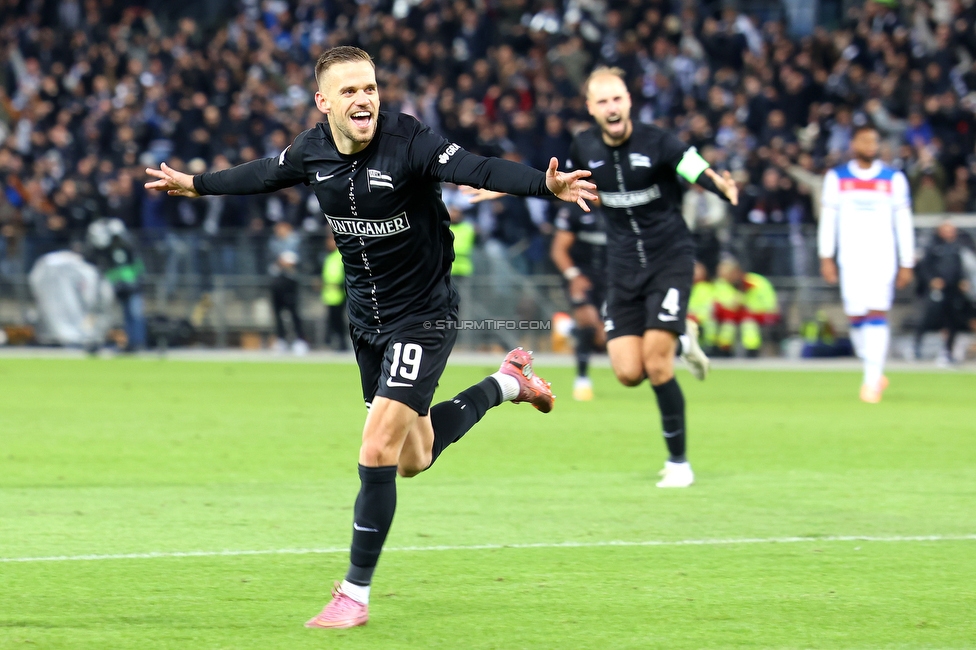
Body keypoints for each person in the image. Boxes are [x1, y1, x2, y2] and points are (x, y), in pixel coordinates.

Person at [145, 46, 595, 629]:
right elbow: (261, 173)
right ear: (324, 101)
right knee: (416, 455)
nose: (364, 100)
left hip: (424, 317)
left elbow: (478, 168)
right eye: (351, 91)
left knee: (375, 448)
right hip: (367, 325)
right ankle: (508, 383)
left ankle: (353, 595)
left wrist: (543, 185)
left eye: (371, 88)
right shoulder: (311, 149)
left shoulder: (410, 141)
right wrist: (198, 185)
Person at [566, 67, 736, 488]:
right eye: (603, 101)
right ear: (591, 109)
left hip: (669, 259)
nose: (612, 107)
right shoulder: (583, 148)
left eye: (618, 99)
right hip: (622, 267)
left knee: (658, 365)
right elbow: (558, 182)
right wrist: (503, 185)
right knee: (628, 372)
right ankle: (682, 333)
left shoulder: (657, 140)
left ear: (629, 102)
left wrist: (720, 186)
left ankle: (679, 464)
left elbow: (694, 166)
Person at [818, 122, 915, 403]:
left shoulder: (893, 179)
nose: (870, 146)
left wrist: (906, 261)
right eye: (864, 141)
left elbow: (903, 222)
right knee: (856, 316)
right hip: (850, 257)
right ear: (854, 144)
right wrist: (827, 257)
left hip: (882, 258)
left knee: (876, 313)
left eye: (874, 141)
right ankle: (872, 363)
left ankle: (871, 380)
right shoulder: (837, 178)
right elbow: (829, 220)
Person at [550, 203, 607, 400]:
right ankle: (582, 379)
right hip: (581, 277)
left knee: (603, 339)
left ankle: (567, 328)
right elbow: (559, 250)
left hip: (610, 279)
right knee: (588, 320)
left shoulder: (616, 206)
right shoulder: (574, 210)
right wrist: (573, 276)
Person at [913, 221, 973, 365]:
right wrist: (932, 280)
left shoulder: (957, 247)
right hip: (936, 290)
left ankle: (948, 351)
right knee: (928, 319)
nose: (950, 232)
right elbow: (924, 267)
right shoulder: (932, 246)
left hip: (953, 290)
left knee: (952, 322)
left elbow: (960, 267)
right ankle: (916, 347)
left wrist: (963, 280)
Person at [713, 257, 779, 357]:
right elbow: (720, 305)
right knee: (728, 324)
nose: (725, 279)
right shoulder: (722, 284)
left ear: (736, 272)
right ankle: (723, 351)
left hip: (758, 315)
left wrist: (745, 305)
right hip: (735, 316)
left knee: (748, 323)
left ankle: (751, 352)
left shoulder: (756, 283)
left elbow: (769, 306)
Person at [268, 221, 309, 355]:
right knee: (277, 311)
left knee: (293, 311)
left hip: (291, 280)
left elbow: (299, 260)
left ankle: (300, 340)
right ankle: (281, 339)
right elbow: (271, 261)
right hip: (277, 280)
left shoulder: (296, 241)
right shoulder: (273, 242)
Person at [321, 234, 349, 351]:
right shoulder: (329, 257)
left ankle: (342, 343)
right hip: (329, 295)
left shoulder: (340, 256)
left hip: (339, 294)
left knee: (339, 320)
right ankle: (335, 342)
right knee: (332, 320)